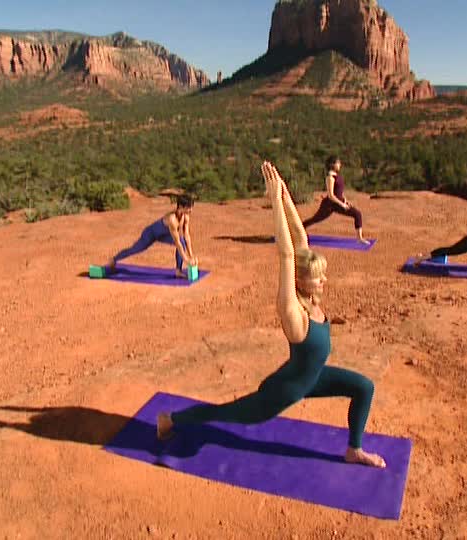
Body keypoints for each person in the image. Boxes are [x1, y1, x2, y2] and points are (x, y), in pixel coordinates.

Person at [156, 161, 385, 468]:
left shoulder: (309, 295)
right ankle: (170, 419)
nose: (324, 280)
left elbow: (300, 240)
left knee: (363, 387)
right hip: (282, 392)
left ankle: (353, 450)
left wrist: (285, 194)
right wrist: (274, 201)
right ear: (300, 279)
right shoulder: (293, 310)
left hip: (312, 378)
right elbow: (287, 254)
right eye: (318, 276)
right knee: (225, 412)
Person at [106, 194, 198, 278]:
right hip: (150, 234)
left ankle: (178, 271)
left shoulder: (186, 216)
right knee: (135, 249)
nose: (191, 210)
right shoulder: (172, 219)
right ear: (181, 206)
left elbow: (187, 236)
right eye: (189, 208)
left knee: (182, 241)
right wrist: (186, 259)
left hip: (163, 235)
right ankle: (113, 259)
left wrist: (191, 256)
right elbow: (177, 242)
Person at [302, 156, 370, 245]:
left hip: (338, 202)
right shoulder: (330, 178)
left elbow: (339, 192)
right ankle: (299, 228)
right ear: (332, 164)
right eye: (338, 163)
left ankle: (359, 239)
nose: (340, 165)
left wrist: (345, 200)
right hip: (330, 204)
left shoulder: (337, 176)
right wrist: (342, 205)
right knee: (316, 219)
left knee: (357, 214)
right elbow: (331, 195)